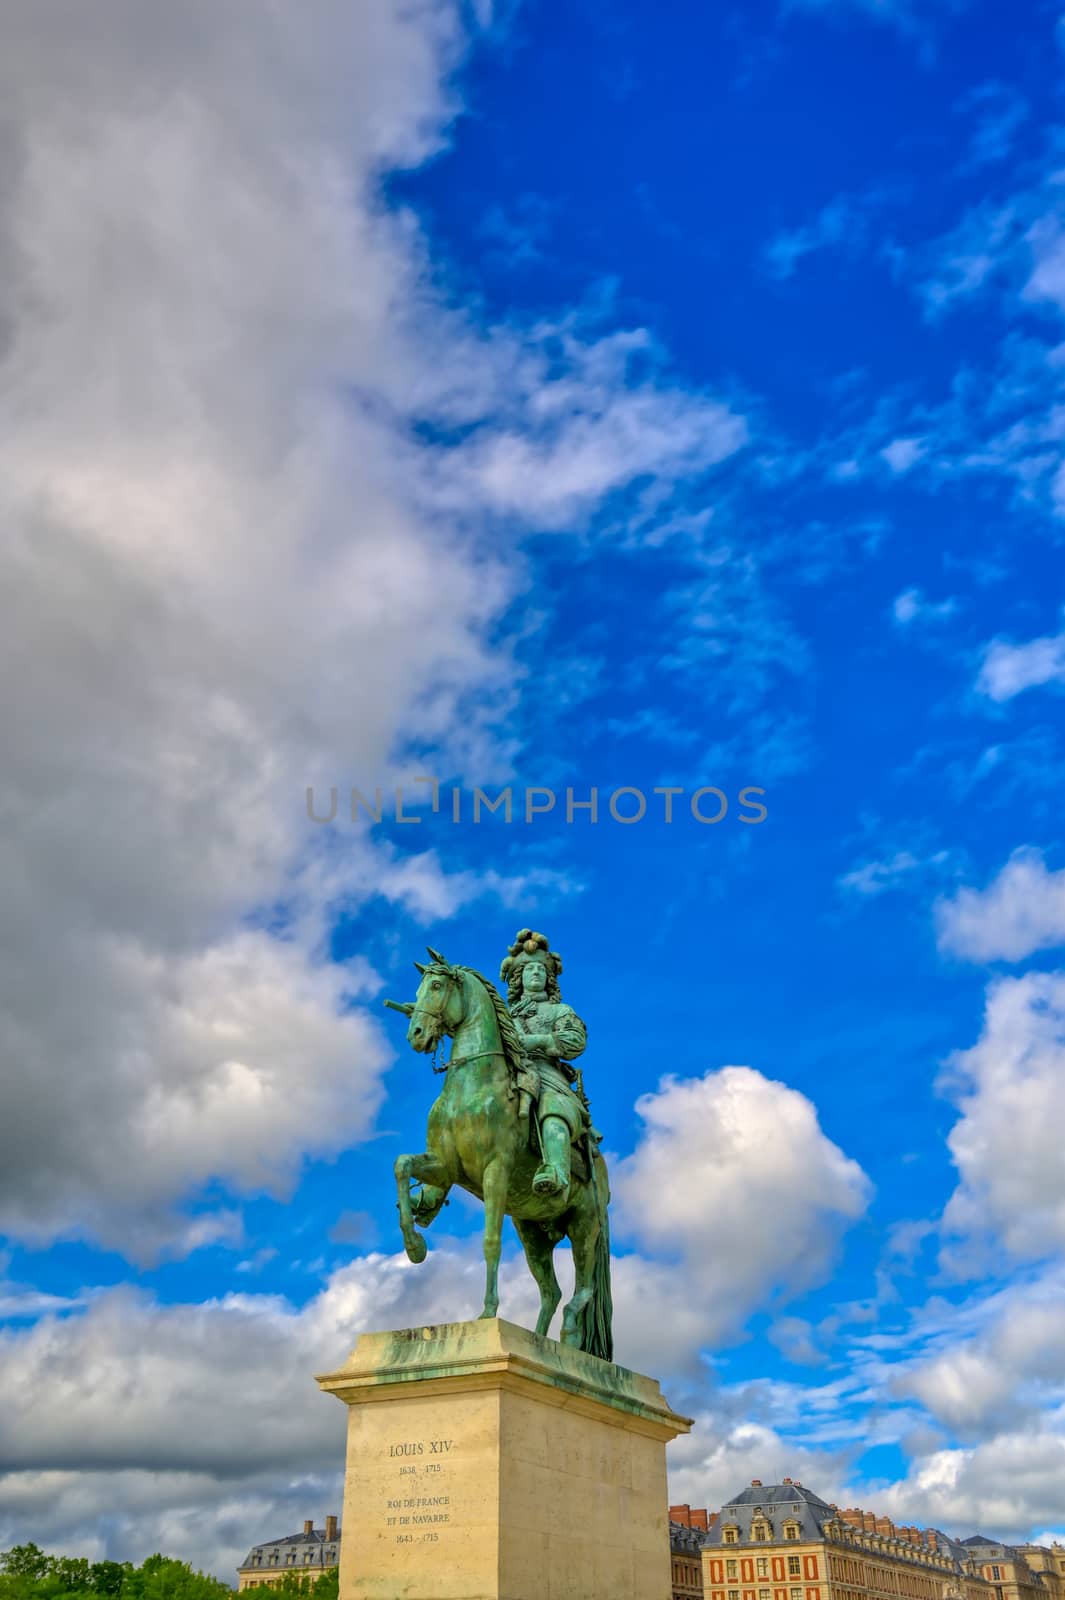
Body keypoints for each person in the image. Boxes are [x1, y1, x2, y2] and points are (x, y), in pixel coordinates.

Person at [500, 929, 590, 1198]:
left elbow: (575, 1041)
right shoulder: (502, 1014)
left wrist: (537, 1041)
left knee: (550, 1106)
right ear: (520, 977)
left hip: (547, 1075)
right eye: (529, 969)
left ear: (549, 978)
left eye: (540, 969)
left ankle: (555, 1169)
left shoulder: (560, 1011)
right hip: (507, 1073)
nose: (536, 973)